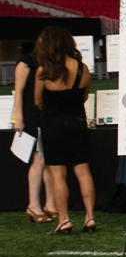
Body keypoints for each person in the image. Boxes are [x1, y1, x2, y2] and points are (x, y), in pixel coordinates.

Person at [32, 26, 97, 235]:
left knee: (57, 174)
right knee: (83, 171)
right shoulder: (83, 68)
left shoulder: (44, 71)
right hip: (77, 121)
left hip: (53, 125)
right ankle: (90, 217)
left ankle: (64, 220)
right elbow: (85, 96)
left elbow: (38, 101)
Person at [13, 43, 57, 223]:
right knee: (39, 159)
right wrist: (19, 118)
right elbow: (19, 93)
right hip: (32, 116)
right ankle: (33, 205)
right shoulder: (25, 63)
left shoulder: (49, 63)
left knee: (48, 160)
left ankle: (50, 204)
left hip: (46, 116)